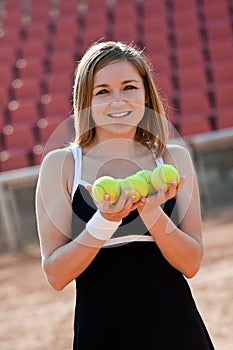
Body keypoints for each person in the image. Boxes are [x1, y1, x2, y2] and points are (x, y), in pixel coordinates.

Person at [35, 41, 215, 349]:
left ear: (146, 94)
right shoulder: (62, 166)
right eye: (102, 91)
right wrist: (104, 221)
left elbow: (191, 263)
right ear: (86, 100)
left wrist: (151, 212)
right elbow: (56, 275)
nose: (117, 100)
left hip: (179, 333)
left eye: (129, 87)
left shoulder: (173, 159)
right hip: (102, 335)